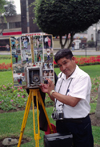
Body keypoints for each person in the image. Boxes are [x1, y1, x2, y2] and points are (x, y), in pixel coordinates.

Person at [40, 48, 94, 147]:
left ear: (73, 59)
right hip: (62, 123)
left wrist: (52, 92)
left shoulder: (82, 77)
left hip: (78, 124)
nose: (63, 68)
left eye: (65, 63)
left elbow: (73, 101)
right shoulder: (61, 76)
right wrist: (49, 91)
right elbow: (56, 99)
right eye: (60, 65)